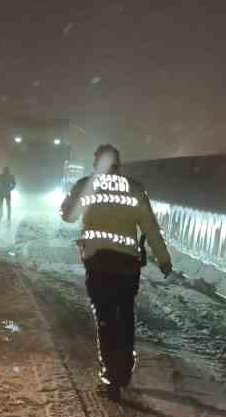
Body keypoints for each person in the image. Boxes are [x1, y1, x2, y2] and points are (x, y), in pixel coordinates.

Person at [60, 145, 172, 396]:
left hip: (98, 263)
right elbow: (150, 227)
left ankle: (112, 376)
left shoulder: (85, 185)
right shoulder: (134, 187)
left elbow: (67, 216)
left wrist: (71, 199)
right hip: (127, 264)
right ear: (119, 164)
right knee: (126, 315)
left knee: (106, 318)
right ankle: (124, 370)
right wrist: (164, 259)